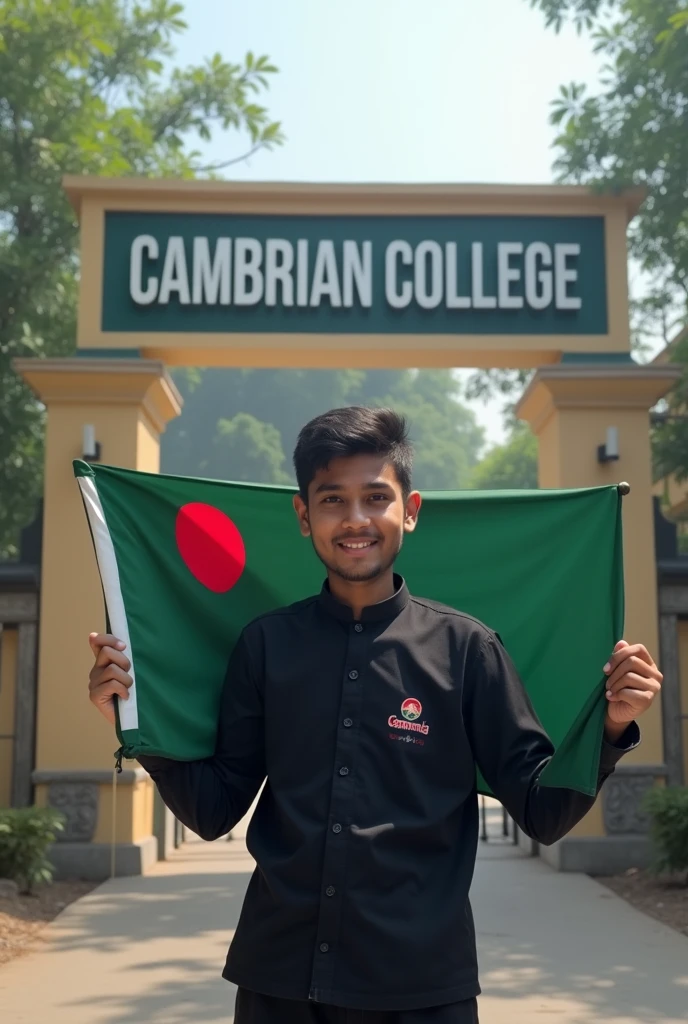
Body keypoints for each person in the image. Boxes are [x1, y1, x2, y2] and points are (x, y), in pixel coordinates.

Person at [87, 407, 663, 1024]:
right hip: (277, 978)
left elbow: (543, 811)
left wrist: (610, 727)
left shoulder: (467, 650)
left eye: (375, 497)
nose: (355, 519)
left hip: (421, 988)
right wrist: (134, 714)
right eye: (332, 499)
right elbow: (212, 808)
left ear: (409, 511)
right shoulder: (266, 646)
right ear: (303, 515)